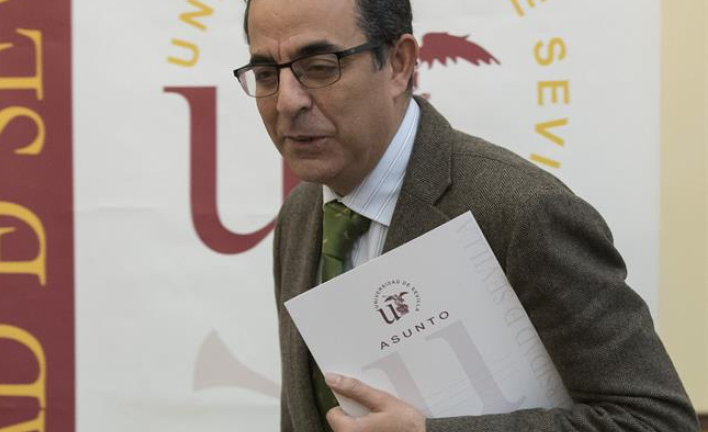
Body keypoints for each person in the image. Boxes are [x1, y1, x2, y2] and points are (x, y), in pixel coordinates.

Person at [232, 0, 699, 431]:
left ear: (399, 64)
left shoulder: (523, 210)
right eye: (266, 74)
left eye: (319, 67)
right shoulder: (301, 215)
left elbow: (657, 421)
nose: (287, 101)